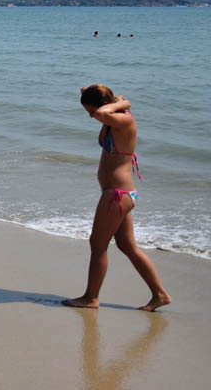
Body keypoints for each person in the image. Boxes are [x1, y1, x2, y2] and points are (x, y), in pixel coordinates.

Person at [63, 85, 171, 311]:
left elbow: (103, 112)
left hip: (117, 195)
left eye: (91, 111)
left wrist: (123, 102)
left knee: (98, 245)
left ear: (104, 106)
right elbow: (101, 109)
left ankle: (91, 298)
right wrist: (91, 93)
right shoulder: (111, 118)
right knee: (127, 245)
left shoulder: (124, 120)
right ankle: (160, 294)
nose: (91, 116)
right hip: (116, 194)